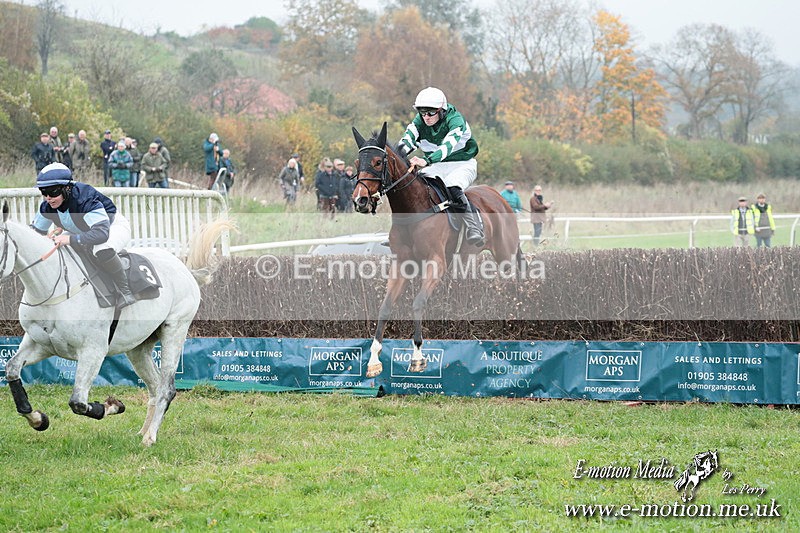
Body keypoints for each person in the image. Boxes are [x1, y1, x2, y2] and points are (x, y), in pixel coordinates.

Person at [32, 163, 136, 307]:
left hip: (111, 227)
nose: (48, 197)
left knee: (101, 249)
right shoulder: (46, 206)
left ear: (67, 188)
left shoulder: (85, 199)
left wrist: (69, 238)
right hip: (84, 229)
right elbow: (35, 233)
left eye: (53, 191)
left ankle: (126, 291)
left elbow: (101, 234)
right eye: (44, 192)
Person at [399, 87, 484, 246]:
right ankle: (403, 230)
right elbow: (407, 140)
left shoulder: (456, 120)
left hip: (462, 164)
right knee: (415, 187)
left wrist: (426, 160)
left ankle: (474, 226)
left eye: (431, 113)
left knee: (452, 186)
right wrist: (397, 157)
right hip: (437, 165)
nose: (426, 117)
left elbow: (447, 146)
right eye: (422, 112)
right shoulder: (419, 121)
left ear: (442, 111)